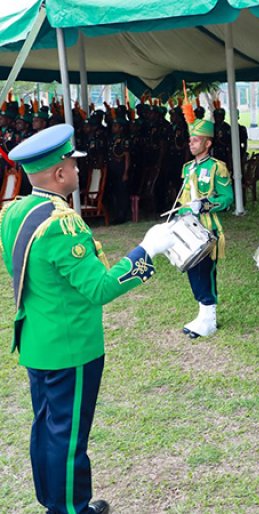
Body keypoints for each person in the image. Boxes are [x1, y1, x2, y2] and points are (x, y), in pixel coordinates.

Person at [1, 124, 175, 514]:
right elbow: (100, 288)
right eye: (74, 164)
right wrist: (146, 250)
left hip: (37, 341)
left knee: (47, 430)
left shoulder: (13, 211)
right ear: (60, 174)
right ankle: (72, 509)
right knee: (68, 437)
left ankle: (54, 503)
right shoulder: (64, 223)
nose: (80, 169)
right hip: (71, 347)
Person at [175, 106, 234, 338]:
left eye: (196, 140)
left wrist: (205, 204)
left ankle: (209, 319)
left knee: (205, 271)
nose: (191, 143)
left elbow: (227, 198)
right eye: (190, 139)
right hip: (187, 227)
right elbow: (183, 197)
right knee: (192, 270)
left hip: (207, 228)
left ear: (207, 143)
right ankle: (202, 314)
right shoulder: (187, 168)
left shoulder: (216, 167)